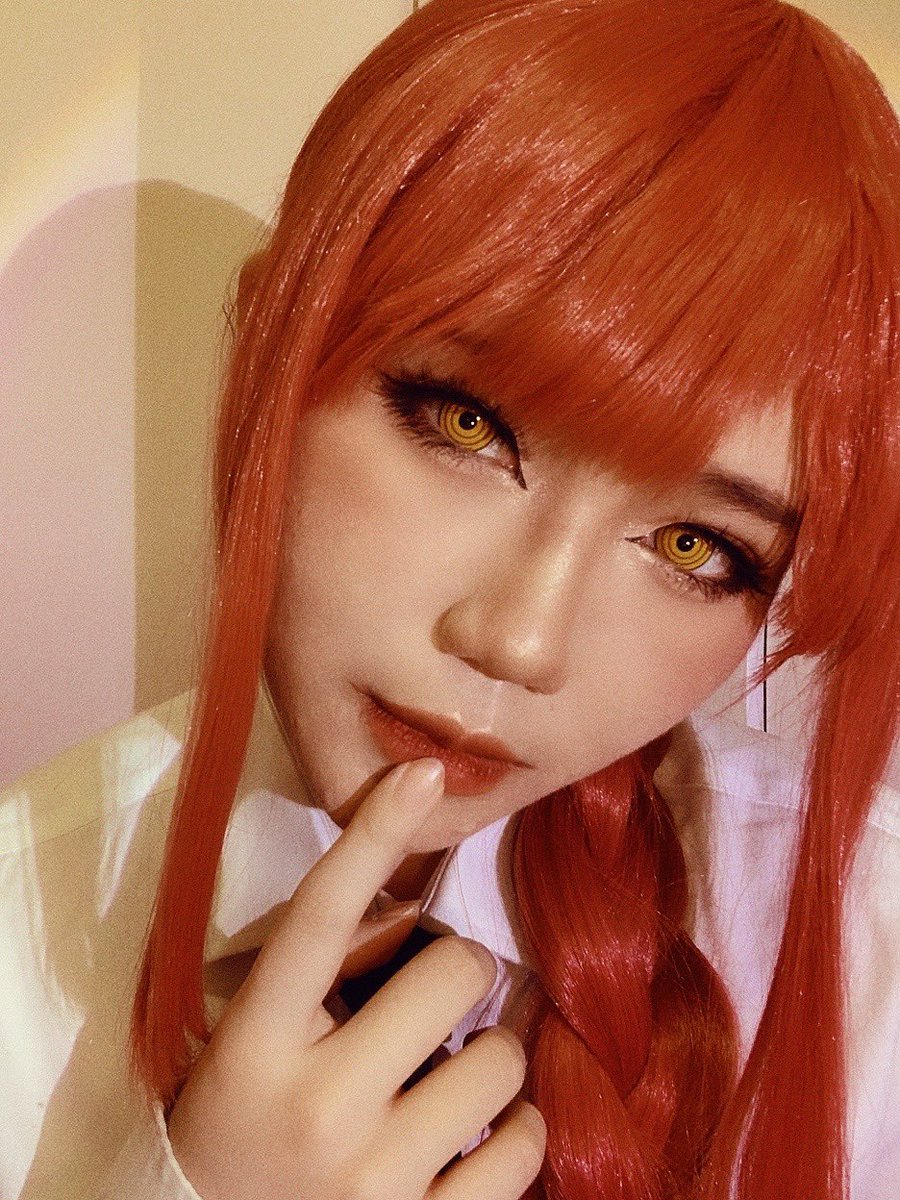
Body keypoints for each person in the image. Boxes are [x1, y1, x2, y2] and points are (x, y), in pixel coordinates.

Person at [3, 0, 899, 1197]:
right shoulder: (19, 943)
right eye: (468, 424)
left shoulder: (869, 948)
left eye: (697, 547)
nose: (520, 641)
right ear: (274, 349)